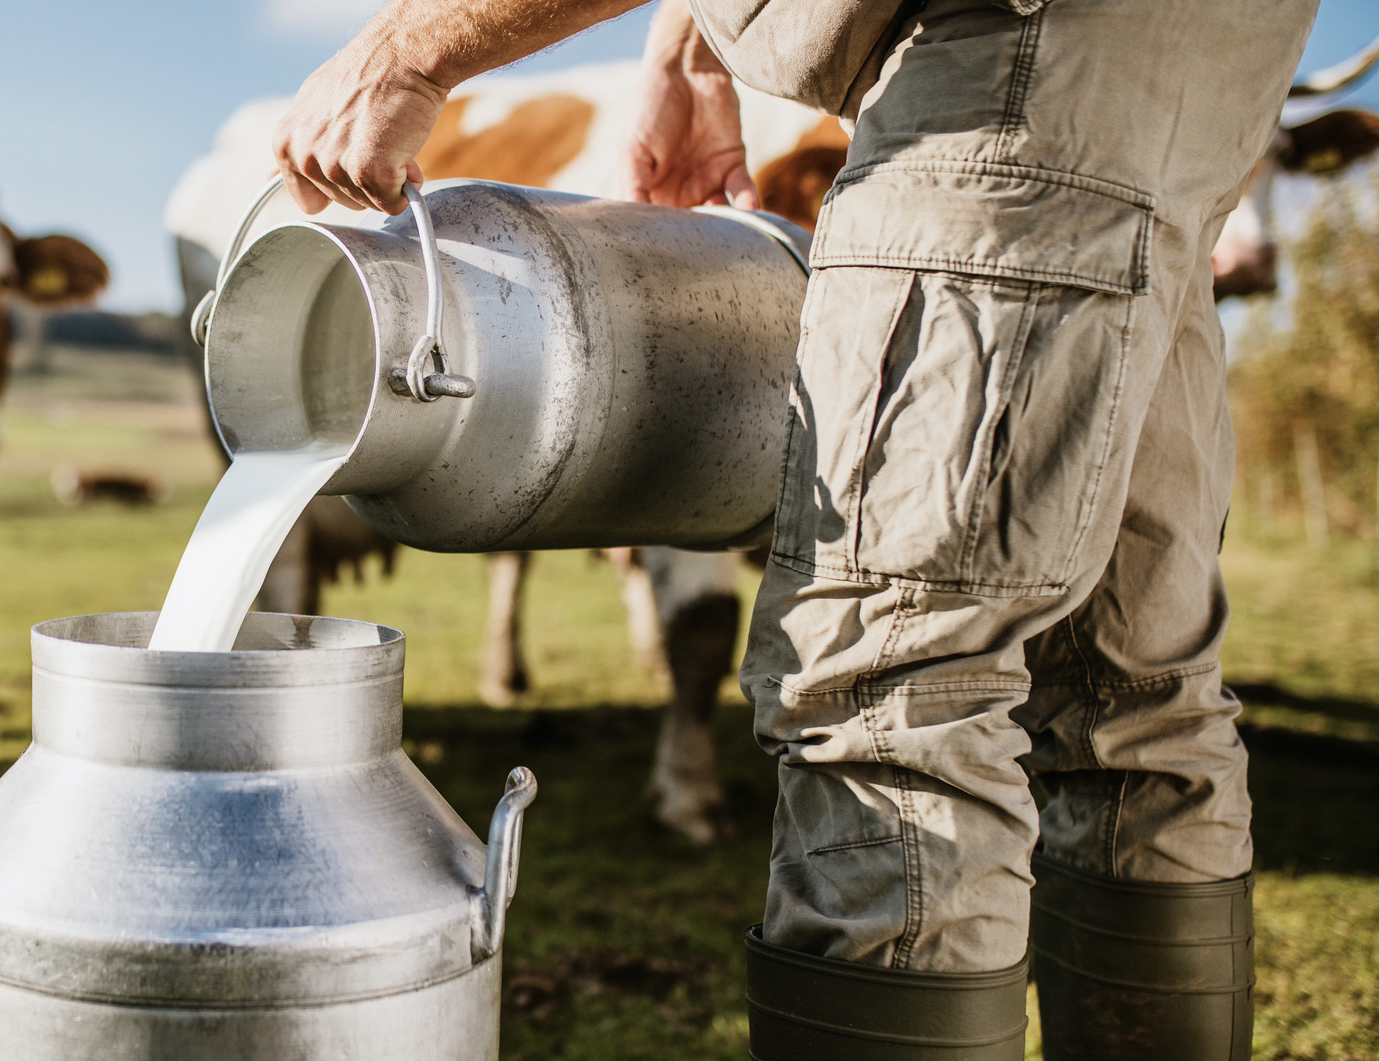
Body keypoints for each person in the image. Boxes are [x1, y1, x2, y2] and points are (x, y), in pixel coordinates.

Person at [272, 0, 1315, 1056]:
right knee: (1126, 692)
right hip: (1195, 63)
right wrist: (691, 46)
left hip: (1001, 60)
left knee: (890, 685)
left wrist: (407, 49)